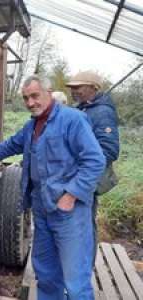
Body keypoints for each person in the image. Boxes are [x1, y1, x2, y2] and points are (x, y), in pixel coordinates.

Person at [0, 75, 105, 300]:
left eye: (35, 96)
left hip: (69, 213)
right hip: (41, 210)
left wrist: (71, 195)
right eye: (25, 98)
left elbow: (95, 161)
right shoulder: (32, 125)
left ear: (49, 92)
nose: (30, 102)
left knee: (75, 282)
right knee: (46, 275)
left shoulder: (73, 120)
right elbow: (11, 144)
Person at [66, 71, 120, 262]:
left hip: (86, 181)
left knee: (84, 227)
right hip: (75, 179)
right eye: (72, 88)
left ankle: (83, 272)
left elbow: (110, 150)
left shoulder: (103, 112)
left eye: (78, 87)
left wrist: (83, 172)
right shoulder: (82, 108)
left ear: (93, 88)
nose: (73, 91)